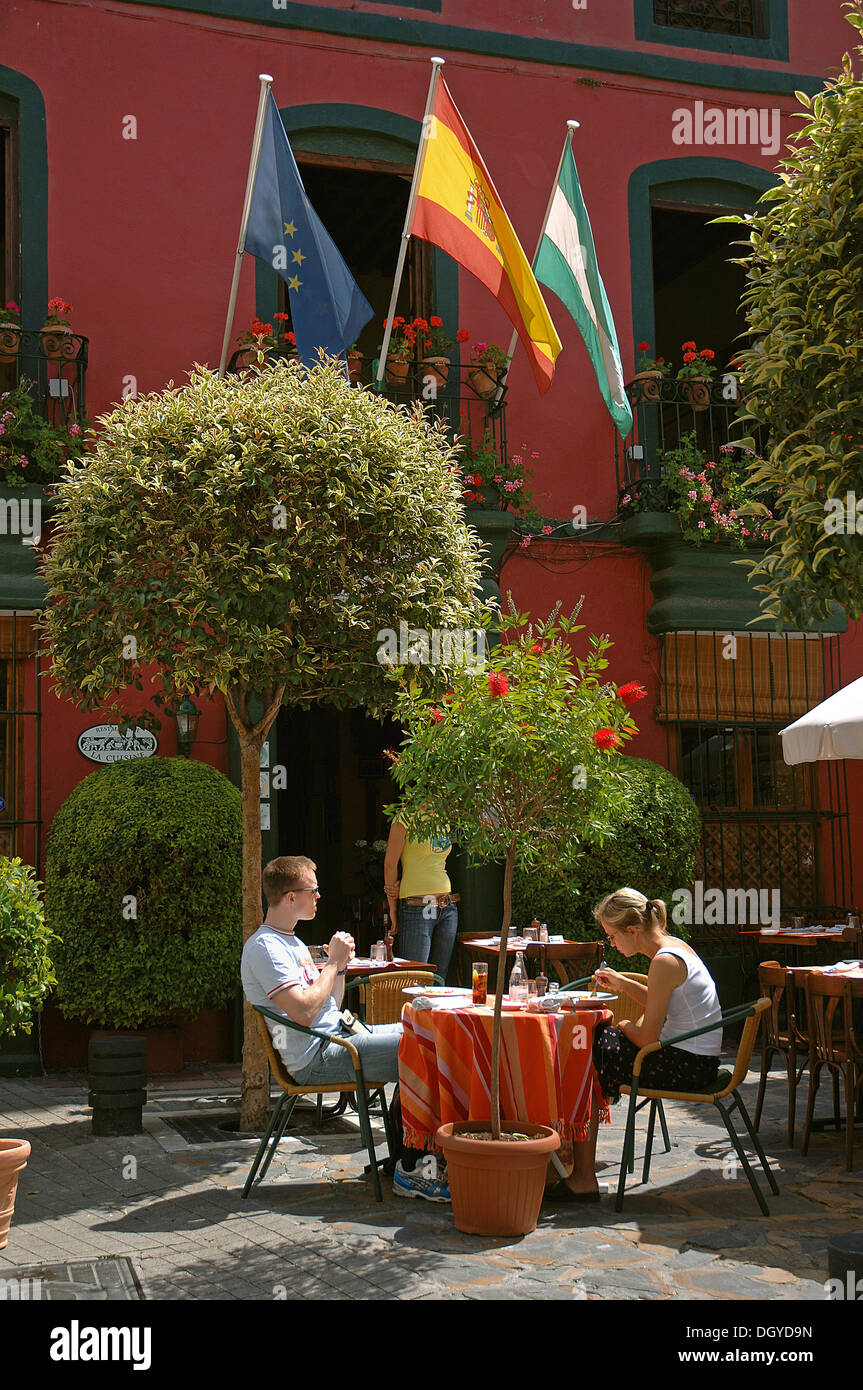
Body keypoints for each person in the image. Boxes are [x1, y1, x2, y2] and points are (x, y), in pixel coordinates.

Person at [240, 855, 450, 1202]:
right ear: (291, 897)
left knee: (423, 1028)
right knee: (423, 1048)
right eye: (314, 890)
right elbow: (305, 1013)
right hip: (317, 1057)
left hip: (340, 1036)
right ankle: (412, 1168)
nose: (319, 896)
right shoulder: (265, 947)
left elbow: (329, 1006)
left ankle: (403, 1156)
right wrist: (334, 963)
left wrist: (338, 970)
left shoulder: (290, 941)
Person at [551, 886, 723, 1203]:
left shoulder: (664, 962)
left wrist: (623, 1024)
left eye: (613, 937)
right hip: (697, 1058)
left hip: (688, 1066)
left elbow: (646, 1038)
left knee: (586, 1050)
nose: (612, 944)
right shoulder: (675, 947)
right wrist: (623, 982)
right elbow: (665, 1005)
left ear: (632, 930)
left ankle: (581, 1176)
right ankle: (577, 1168)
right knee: (592, 1048)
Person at [383, 816, 458, 978]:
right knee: (415, 976)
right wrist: (393, 908)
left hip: (447, 907)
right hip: (420, 906)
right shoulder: (404, 817)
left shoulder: (442, 817)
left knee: (439, 977)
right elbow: (390, 864)